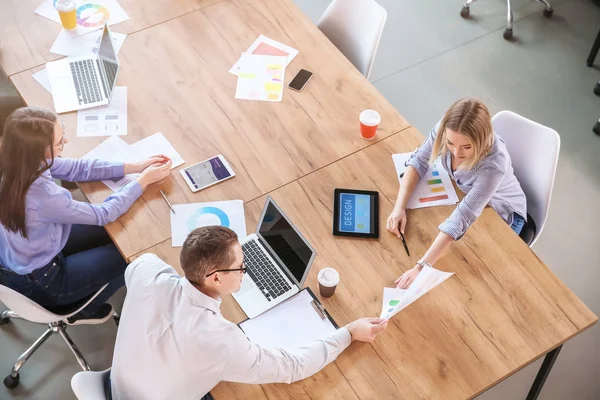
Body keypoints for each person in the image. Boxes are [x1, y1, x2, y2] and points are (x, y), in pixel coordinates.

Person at [110, 226, 388, 400]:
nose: (246, 271)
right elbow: (293, 367)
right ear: (215, 278)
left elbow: (138, 265)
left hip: (116, 385)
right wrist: (349, 333)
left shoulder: (148, 274)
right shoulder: (220, 340)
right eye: (241, 267)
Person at [0, 107, 172, 324]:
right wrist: (143, 181)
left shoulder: (17, 160)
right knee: (131, 256)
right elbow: (104, 213)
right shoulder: (43, 196)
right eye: (60, 142)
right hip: (45, 282)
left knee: (117, 233)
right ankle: (87, 308)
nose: (66, 142)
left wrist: (134, 167)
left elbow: (77, 169)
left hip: (24, 254)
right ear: (39, 150)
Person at [387, 98, 527, 289]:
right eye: (451, 143)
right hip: (468, 196)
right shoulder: (446, 128)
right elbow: (419, 160)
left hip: (503, 214)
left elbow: (463, 216)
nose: (456, 153)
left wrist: (420, 268)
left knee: (467, 278)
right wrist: (399, 208)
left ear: (482, 140)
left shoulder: (494, 165)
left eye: (467, 147)